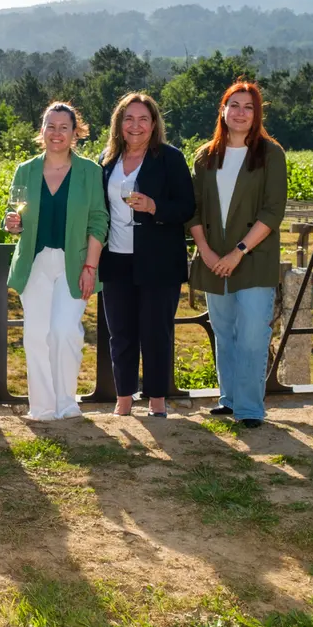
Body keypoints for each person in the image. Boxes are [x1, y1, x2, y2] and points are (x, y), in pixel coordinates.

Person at [187, 81, 287, 430]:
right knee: (224, 330)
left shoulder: (271, 154)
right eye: (235, 105)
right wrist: (207, 251)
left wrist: (239, 252)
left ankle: (249, 408)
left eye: (249, 106)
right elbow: (193, 210)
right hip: (214, 259)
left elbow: (273, 211)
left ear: (257, 113)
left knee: (252, 335)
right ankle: (228, 399)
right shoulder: (205, 156)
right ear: (223, 110)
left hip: (254, 259)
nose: (241, 112)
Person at [4, 102, 108, 421]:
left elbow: (98, 220)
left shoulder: (90, 171)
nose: (57, 133)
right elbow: (14, 213)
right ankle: (43, 408)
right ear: (42, 130)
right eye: (51, 126)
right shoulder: (26, 170)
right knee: (36, 334)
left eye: (64, 127)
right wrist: (12, 223)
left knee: (65, 330)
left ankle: (66, 402)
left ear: (76, 133)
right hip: (34, 263)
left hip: (74, 264)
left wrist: (90, 267)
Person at [99, 93, 195, 418]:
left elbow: (187, 207)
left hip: (158, 262)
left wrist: (154, 207)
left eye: (143, 119)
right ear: (119, 124)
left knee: (156, 333)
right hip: (115, 260)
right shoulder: (107, 160)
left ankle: (157, 401)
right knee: (121, 334)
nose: (135, 125)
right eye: (129, 119)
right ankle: (123, 400)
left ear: (154, 124)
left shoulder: (170, 158)